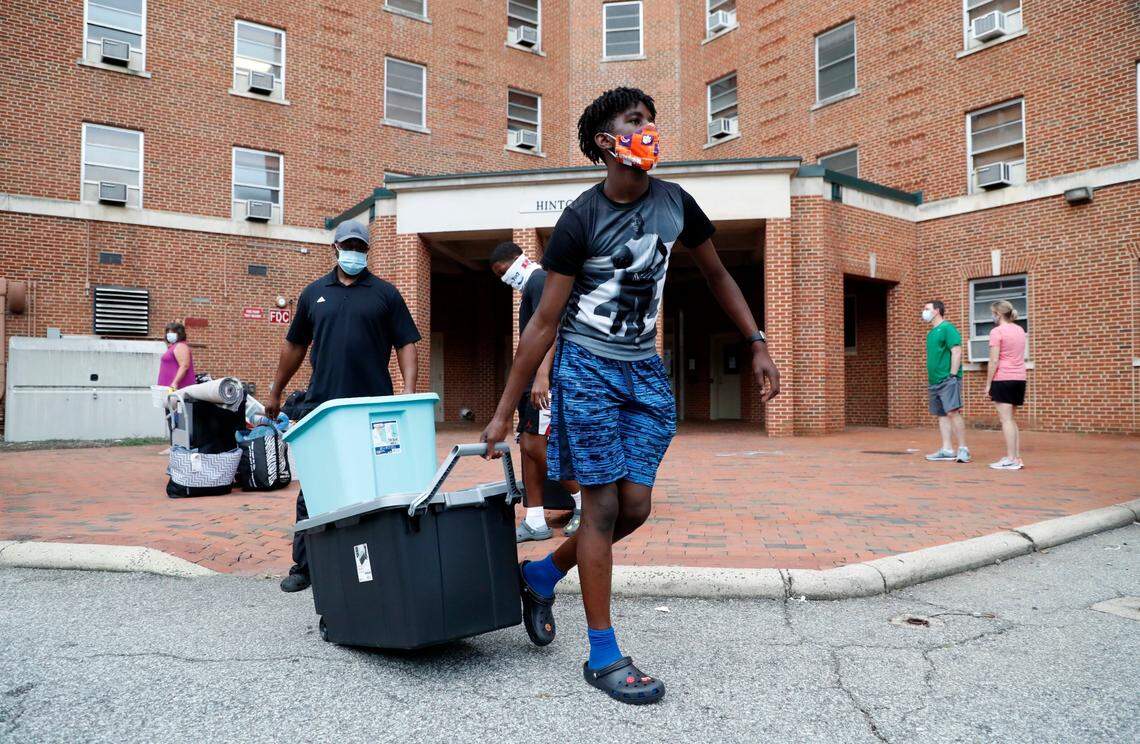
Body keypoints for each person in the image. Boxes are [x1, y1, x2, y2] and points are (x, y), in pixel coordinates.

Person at [479, 87, 780, 704]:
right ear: (604, 141)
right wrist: (506, 410)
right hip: (587, 369)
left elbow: (717, 273)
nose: (648, 130)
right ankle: (603, 653)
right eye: (634, 121)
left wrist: (757, 341)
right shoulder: (580, 219)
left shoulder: (675, 203)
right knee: (602, 509)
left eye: (650, 120)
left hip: (645, 372)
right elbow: (542, 323)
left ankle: (541, 573)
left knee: (635, 507)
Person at [264, 220, 422, 593]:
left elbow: (406, 343)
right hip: (323, 408)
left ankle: (374, 559)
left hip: (374, 409)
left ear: (367, 251)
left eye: (360, 247)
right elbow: (295, 345)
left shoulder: (385, 294)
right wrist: (275, 390)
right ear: (335, 248)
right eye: (348, 246)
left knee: (376, 485)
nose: (354, 253)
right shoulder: (314, 293)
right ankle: (304, 566)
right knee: (316, 487)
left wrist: (409, 393)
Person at [489, 241, 583, 542]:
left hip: (545, 384)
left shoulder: (540, 281)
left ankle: (585, 504)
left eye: (503, 271)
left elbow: (552, 327)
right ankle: (534, 520)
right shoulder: (532, 286)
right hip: (532, 385)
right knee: (528, 450)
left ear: (517, 260)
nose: (504, 279)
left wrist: (543, 376)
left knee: (538, 446)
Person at [923, 300, 970, 463]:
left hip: (947, 379)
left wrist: (952, 375)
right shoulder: (931, 333)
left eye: (927, 309)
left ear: (936, 311)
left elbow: (956, 351)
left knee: (953, 412)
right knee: (942, 415)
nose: (924, 312)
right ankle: (947, 449)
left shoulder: (948, 328)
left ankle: (963, 449)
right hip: (934, 381)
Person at [984, 300, 1027, 470]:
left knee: (1006, 420)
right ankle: (1015, 457)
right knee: (1011, 420)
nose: (992, 316)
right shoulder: (1020, 330)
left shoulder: (997, 331)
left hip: (1003, 378)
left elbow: (994, 360)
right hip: (1019, 378)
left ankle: (1011, 459)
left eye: (993, 313)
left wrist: (988, 384)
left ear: (998, 314)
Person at [157, 322, 195, 392]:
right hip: (168, 388)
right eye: (168, 332)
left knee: (172, 402)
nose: (169, 334)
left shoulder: (181, 346)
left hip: (175, 388)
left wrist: (175, 383)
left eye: (172, 332)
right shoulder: (174, 346)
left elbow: (184, 366)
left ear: (180, 334)